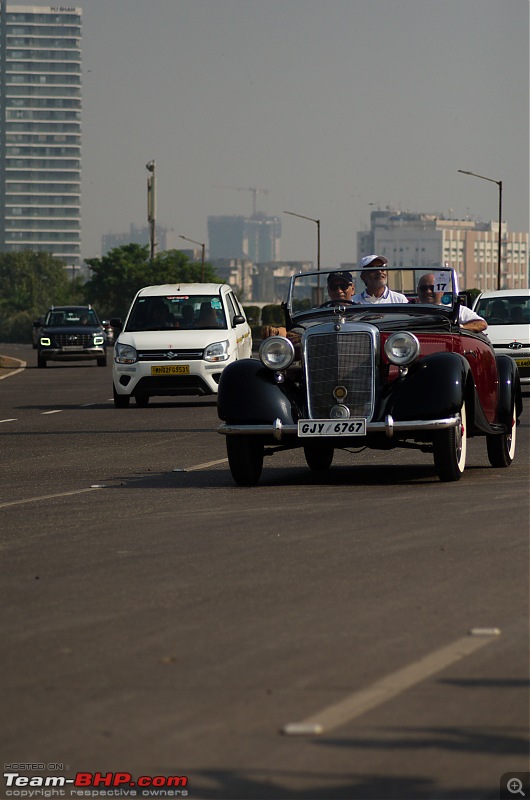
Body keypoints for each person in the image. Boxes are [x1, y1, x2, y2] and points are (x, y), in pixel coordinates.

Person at [417, 273, 487, 332]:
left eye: (433, 288)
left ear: (442, 290)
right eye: (423, 288)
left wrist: (459, 328)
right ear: (418, 290)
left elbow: (481, 324)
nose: (428, 292)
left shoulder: (455, 309)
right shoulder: (411, 311)